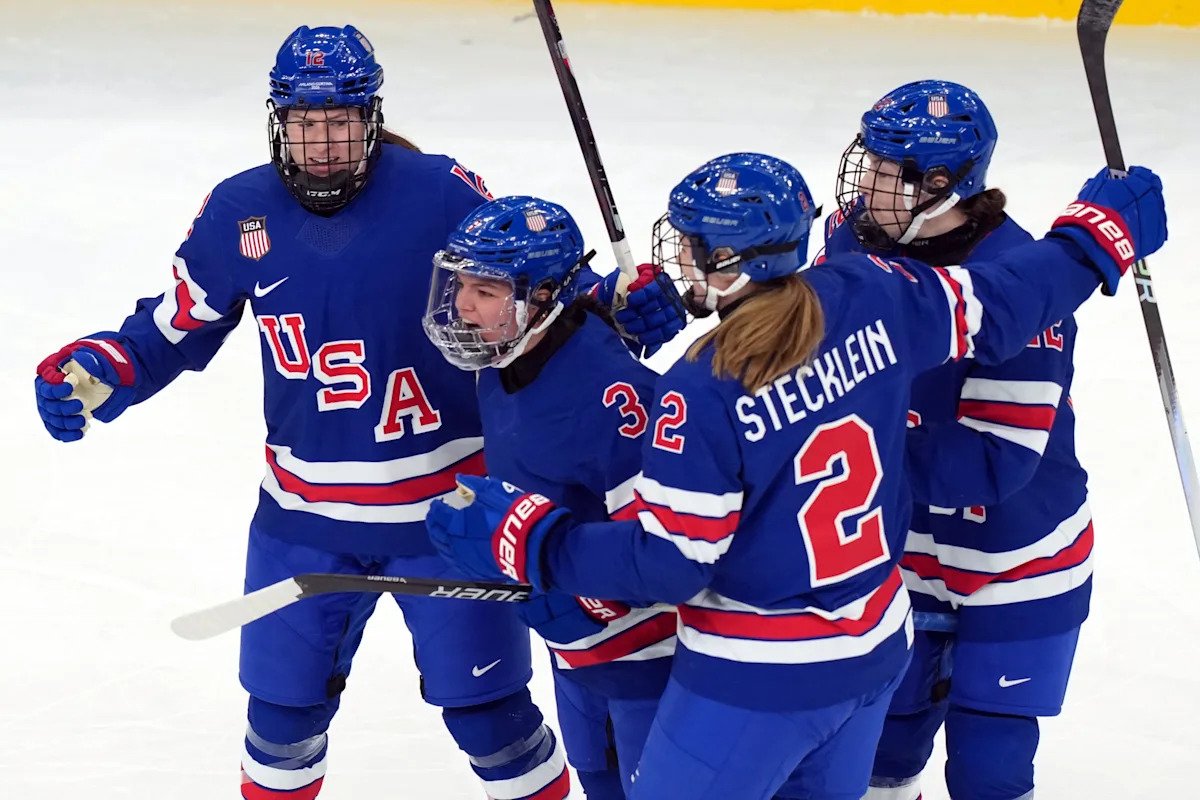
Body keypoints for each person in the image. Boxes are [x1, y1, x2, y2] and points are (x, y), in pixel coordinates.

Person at [31, 25, 683, 800]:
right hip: (301, 521)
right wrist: (105, 367)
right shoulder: (238, 212)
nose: (325, 143)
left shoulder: (439, 189)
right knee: (280, 724)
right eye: (306, 123)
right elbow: (173, 327)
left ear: (371, 116)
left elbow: (534, 288)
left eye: (341, 121)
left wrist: (617, 305)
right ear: (279, 120)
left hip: (451, 516)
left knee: (493, 721)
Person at [421, 151, 1166, 800]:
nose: (680, 257)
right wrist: (1092, 242)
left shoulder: (702, 387)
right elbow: (1002, 303)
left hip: (759, 672)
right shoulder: (873, 290)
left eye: (691, 245)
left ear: (731, 264)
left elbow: (673, 564)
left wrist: (534, 542)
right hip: (874, 644)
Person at [824, 80, 1095, 800]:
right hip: (901, 542)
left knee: (990, 765)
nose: (864, 182)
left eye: (887, 170)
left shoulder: (1026, 286)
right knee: (885, 743)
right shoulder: (855, 240)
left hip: (1018, 557)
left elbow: (991, 461)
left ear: (941, 186)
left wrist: (834, 455)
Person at [423, 195, 678, 797]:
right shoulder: (510, 347)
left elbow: (669, 552)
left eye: (484, 290)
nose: (462, 304)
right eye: (460, 284)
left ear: (538, 298)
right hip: (576, 647)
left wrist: (537, 554)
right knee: (599, 782)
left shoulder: (611, 397)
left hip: (655, 661)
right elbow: (581, 293)